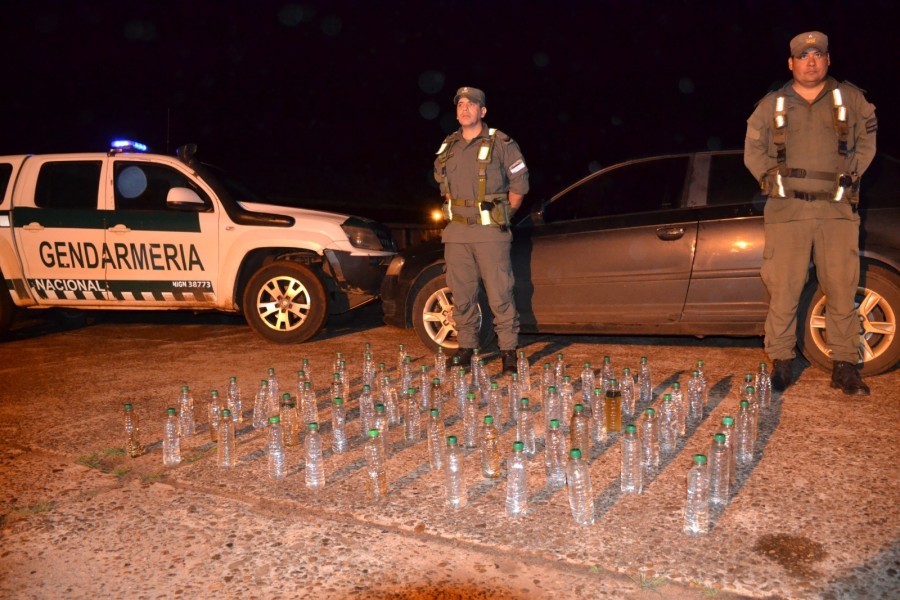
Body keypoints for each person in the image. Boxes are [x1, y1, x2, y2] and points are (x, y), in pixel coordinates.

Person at [744, 31, 877, 395]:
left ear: (828, 59)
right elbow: (753, 151)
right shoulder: (772, 104)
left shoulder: (851, 98)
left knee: (841, 287)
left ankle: (846, 365)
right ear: (791, 63)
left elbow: (867, 143)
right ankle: (782, 362)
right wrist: (770, 179)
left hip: (836, 212)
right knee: (783, 289)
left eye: (818, 55)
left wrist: (851, 176)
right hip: (787, 213)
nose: (811, 61)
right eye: (803, 56)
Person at [434, 86, 529, 375]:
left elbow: (519, 188)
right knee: (461, 296)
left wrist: (501, 217)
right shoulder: (448, 146)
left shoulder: (502, 143)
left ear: (482, 111)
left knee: (500, 294)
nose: (464, 108)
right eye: (460, 104)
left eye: (471, 104)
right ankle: (466, 348)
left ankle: (508, 351)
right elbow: (445, 189)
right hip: (457, 234)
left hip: (490, 235)